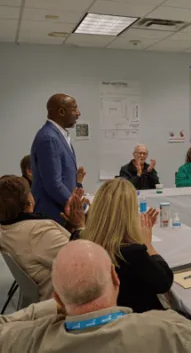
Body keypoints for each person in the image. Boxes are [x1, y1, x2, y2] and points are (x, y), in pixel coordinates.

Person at [0, 240, 191, 353]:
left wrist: (56, 306)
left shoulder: (28, 340)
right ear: (116, 280)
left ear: (57, 299)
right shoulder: (164, 329)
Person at [80, 178, 173, 313]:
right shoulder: (131, 253)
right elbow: (164, 282)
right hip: (137, 322)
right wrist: (147, 243)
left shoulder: (82, 243)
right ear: (129, 214)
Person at [0, 175, 85, 301]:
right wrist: (80, 226)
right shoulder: (38, 233)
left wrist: (70, 225)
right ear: (28, 201)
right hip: (68, 301)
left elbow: (52, 249)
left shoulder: (6, 229)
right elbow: (85, 262)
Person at [30, 93, 86, 223]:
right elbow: (53, 183)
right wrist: (77, 206)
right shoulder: (49, 138)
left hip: (61, 210)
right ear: (61, 111)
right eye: (74, 109)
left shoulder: (59, 135)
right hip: (52, 214)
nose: (78, 113)